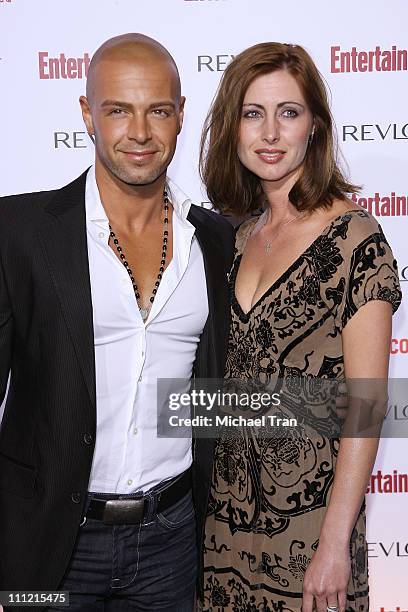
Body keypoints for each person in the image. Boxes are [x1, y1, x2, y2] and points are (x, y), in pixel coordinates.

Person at [0, 33, 234, 611]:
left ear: (181, 116)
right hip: (50, 543)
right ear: (87, 114)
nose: (139, 133)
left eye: (157, 110)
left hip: (171, 542)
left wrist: (354, 407)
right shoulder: (21, 232)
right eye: (118, 110)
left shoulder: (216, 240)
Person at [200, 42, 402, 612]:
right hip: (222, 530)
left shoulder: (355, 239)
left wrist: (336, 542)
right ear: (232, 128)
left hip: (310, 536)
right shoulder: (235, 238)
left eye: (288, 113)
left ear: (314, 126)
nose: (270, 133)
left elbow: (366, 404)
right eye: (252, 113)